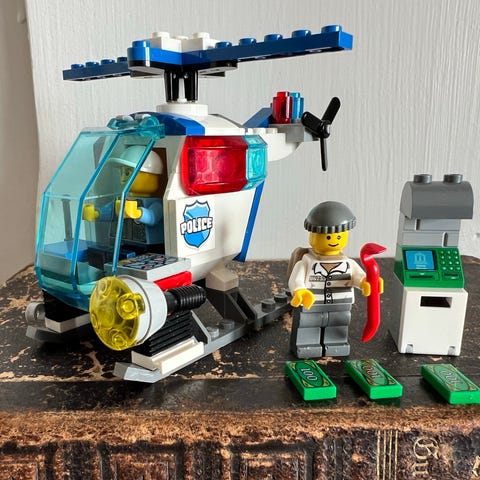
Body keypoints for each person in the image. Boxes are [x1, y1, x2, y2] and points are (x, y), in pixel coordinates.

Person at [288, 201, 371, 358]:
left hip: (340, 305)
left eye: (339, 236)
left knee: (338, 323)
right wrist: (300, 291)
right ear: (313, 235)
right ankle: (306, 345)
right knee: (308, 324)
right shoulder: (306, 262)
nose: (334, 240)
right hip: (312, 304)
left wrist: (366, 282)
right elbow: (296, 280)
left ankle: (336, 344)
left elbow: (358, 277)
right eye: (327, 236)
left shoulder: (348, 263)